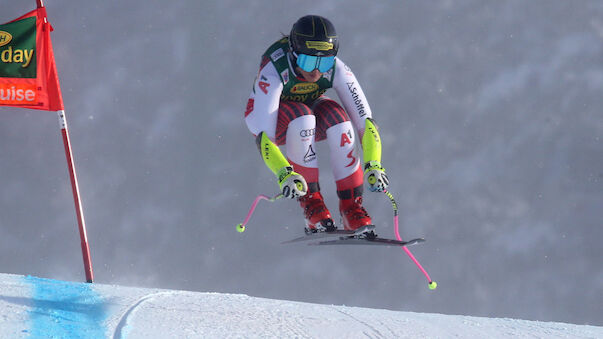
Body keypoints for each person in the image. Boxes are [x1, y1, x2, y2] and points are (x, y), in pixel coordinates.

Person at [244, 15, 389, 237]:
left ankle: (352, 208)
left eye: (325, 62)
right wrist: (284, 173)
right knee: (302, 118)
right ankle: (312, 205)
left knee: (339, 119)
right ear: (293, 55)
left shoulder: (337, 69)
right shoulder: (274, 70)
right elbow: (264, 137)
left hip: (307, 107)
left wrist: (374, 164)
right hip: (271, 120)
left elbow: (366, 123)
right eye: (308, 62)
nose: (316, 72)